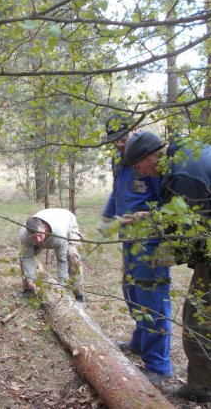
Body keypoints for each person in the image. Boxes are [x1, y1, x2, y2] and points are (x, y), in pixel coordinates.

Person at [124, 131, 211, 403]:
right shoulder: (183, 153)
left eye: (140, 168)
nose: (142, 174)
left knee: (199, 321)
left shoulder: (182, 175)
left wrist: (155, 261)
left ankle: (201, 390)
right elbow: (187, 210)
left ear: (152, 156)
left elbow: (190, 239)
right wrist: (151, 216)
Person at [99, 115, 173, 384]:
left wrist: (159, 236)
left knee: (152, 298)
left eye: (123, 138)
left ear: (136, 129)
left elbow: (166, 199)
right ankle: (140, 342)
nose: (119, 145)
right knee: (131, 290)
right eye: (114, 141)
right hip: (128, 236)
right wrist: (108, 217)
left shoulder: (151, 157)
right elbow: (117, 191)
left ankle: (158, 367)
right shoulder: (119, 158)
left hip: (150, 239)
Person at [19, 208, 86, 302]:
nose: (38, 240)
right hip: (50, 220)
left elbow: (62, 260)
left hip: (68, 224)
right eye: (34, 237)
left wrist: (62, 286)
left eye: (39, 235)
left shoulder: (59, 233)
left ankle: (79, 293)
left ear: (45, 229)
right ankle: (29, 288)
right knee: (23, 254)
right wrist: (31, 280)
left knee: (71, 254)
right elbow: (27, 257)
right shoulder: (24, 234)